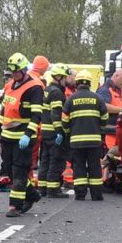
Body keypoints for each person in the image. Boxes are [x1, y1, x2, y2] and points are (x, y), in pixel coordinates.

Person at [2, 53, 45, 217]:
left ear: (24, 70)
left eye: (16, 72)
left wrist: (28, 134)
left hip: (23, 137)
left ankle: (15, 206)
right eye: (11, 72)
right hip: (7, 135)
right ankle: (33, 195)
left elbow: (36, 115)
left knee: (20, 171)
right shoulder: (9, 85)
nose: (13, 75)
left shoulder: (34, 88)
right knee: (10, 170)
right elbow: (5, 109)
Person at [60, 68, 108, 200]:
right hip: (94, 141)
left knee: (79, 166)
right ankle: (96, 195)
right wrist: (99, 128)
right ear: (89, 83)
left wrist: (68, 132)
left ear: (77, 83)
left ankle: (80, 194)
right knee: (94, 167)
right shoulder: (98, 98)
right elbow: (104, 119)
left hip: (76, 141)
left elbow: (64, 121)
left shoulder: (70, 99)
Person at [41, 64, 70, 196]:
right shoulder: (57, 92)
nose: (66, 80)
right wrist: (59, 130)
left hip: (45, 131)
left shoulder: (47, 89)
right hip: (53, 132)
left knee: (45, 160)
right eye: (64, 78)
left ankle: (42, 188)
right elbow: (55, 113)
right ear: (58, 77)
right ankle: (53, 189)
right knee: (56, 160)